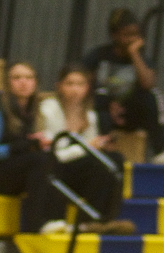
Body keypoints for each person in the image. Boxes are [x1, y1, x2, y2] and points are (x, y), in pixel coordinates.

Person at [39, 63, 133, 235]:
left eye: (80, 84)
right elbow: (55, 154)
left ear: (87, 88)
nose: (75, 89)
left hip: (78, 169)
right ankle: (85, 220)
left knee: (114, 160)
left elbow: (91, 153)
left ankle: (100, 220)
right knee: (94, 163)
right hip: (53, 168)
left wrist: (99, 146)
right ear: (59, 86)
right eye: (70, 84)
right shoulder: (49, 108)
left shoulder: (90, 115)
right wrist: (87, 147)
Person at [82, 8, 164, 164]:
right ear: (114, 35)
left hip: (129, 113)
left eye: (136, 35)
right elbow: (82, 85)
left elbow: (148, 84)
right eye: (127, 35)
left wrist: (135, 54)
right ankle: (105, 149)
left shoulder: (142, 58)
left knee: (153, 96)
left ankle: (161, 151)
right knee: (98, 98)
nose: (132, 39)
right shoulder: (99, 56)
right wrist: (107, 104)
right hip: (103, 111)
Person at [0, 62, 53, 233]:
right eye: (17, 78)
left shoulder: (34, 112)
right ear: (7, 83)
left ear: (35, 83)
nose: (23, 82)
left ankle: (55, 219)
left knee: (51, 161)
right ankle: (36, 224)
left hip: (10, 171)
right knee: (38, 161)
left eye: (29, 78)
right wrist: (26, 145)